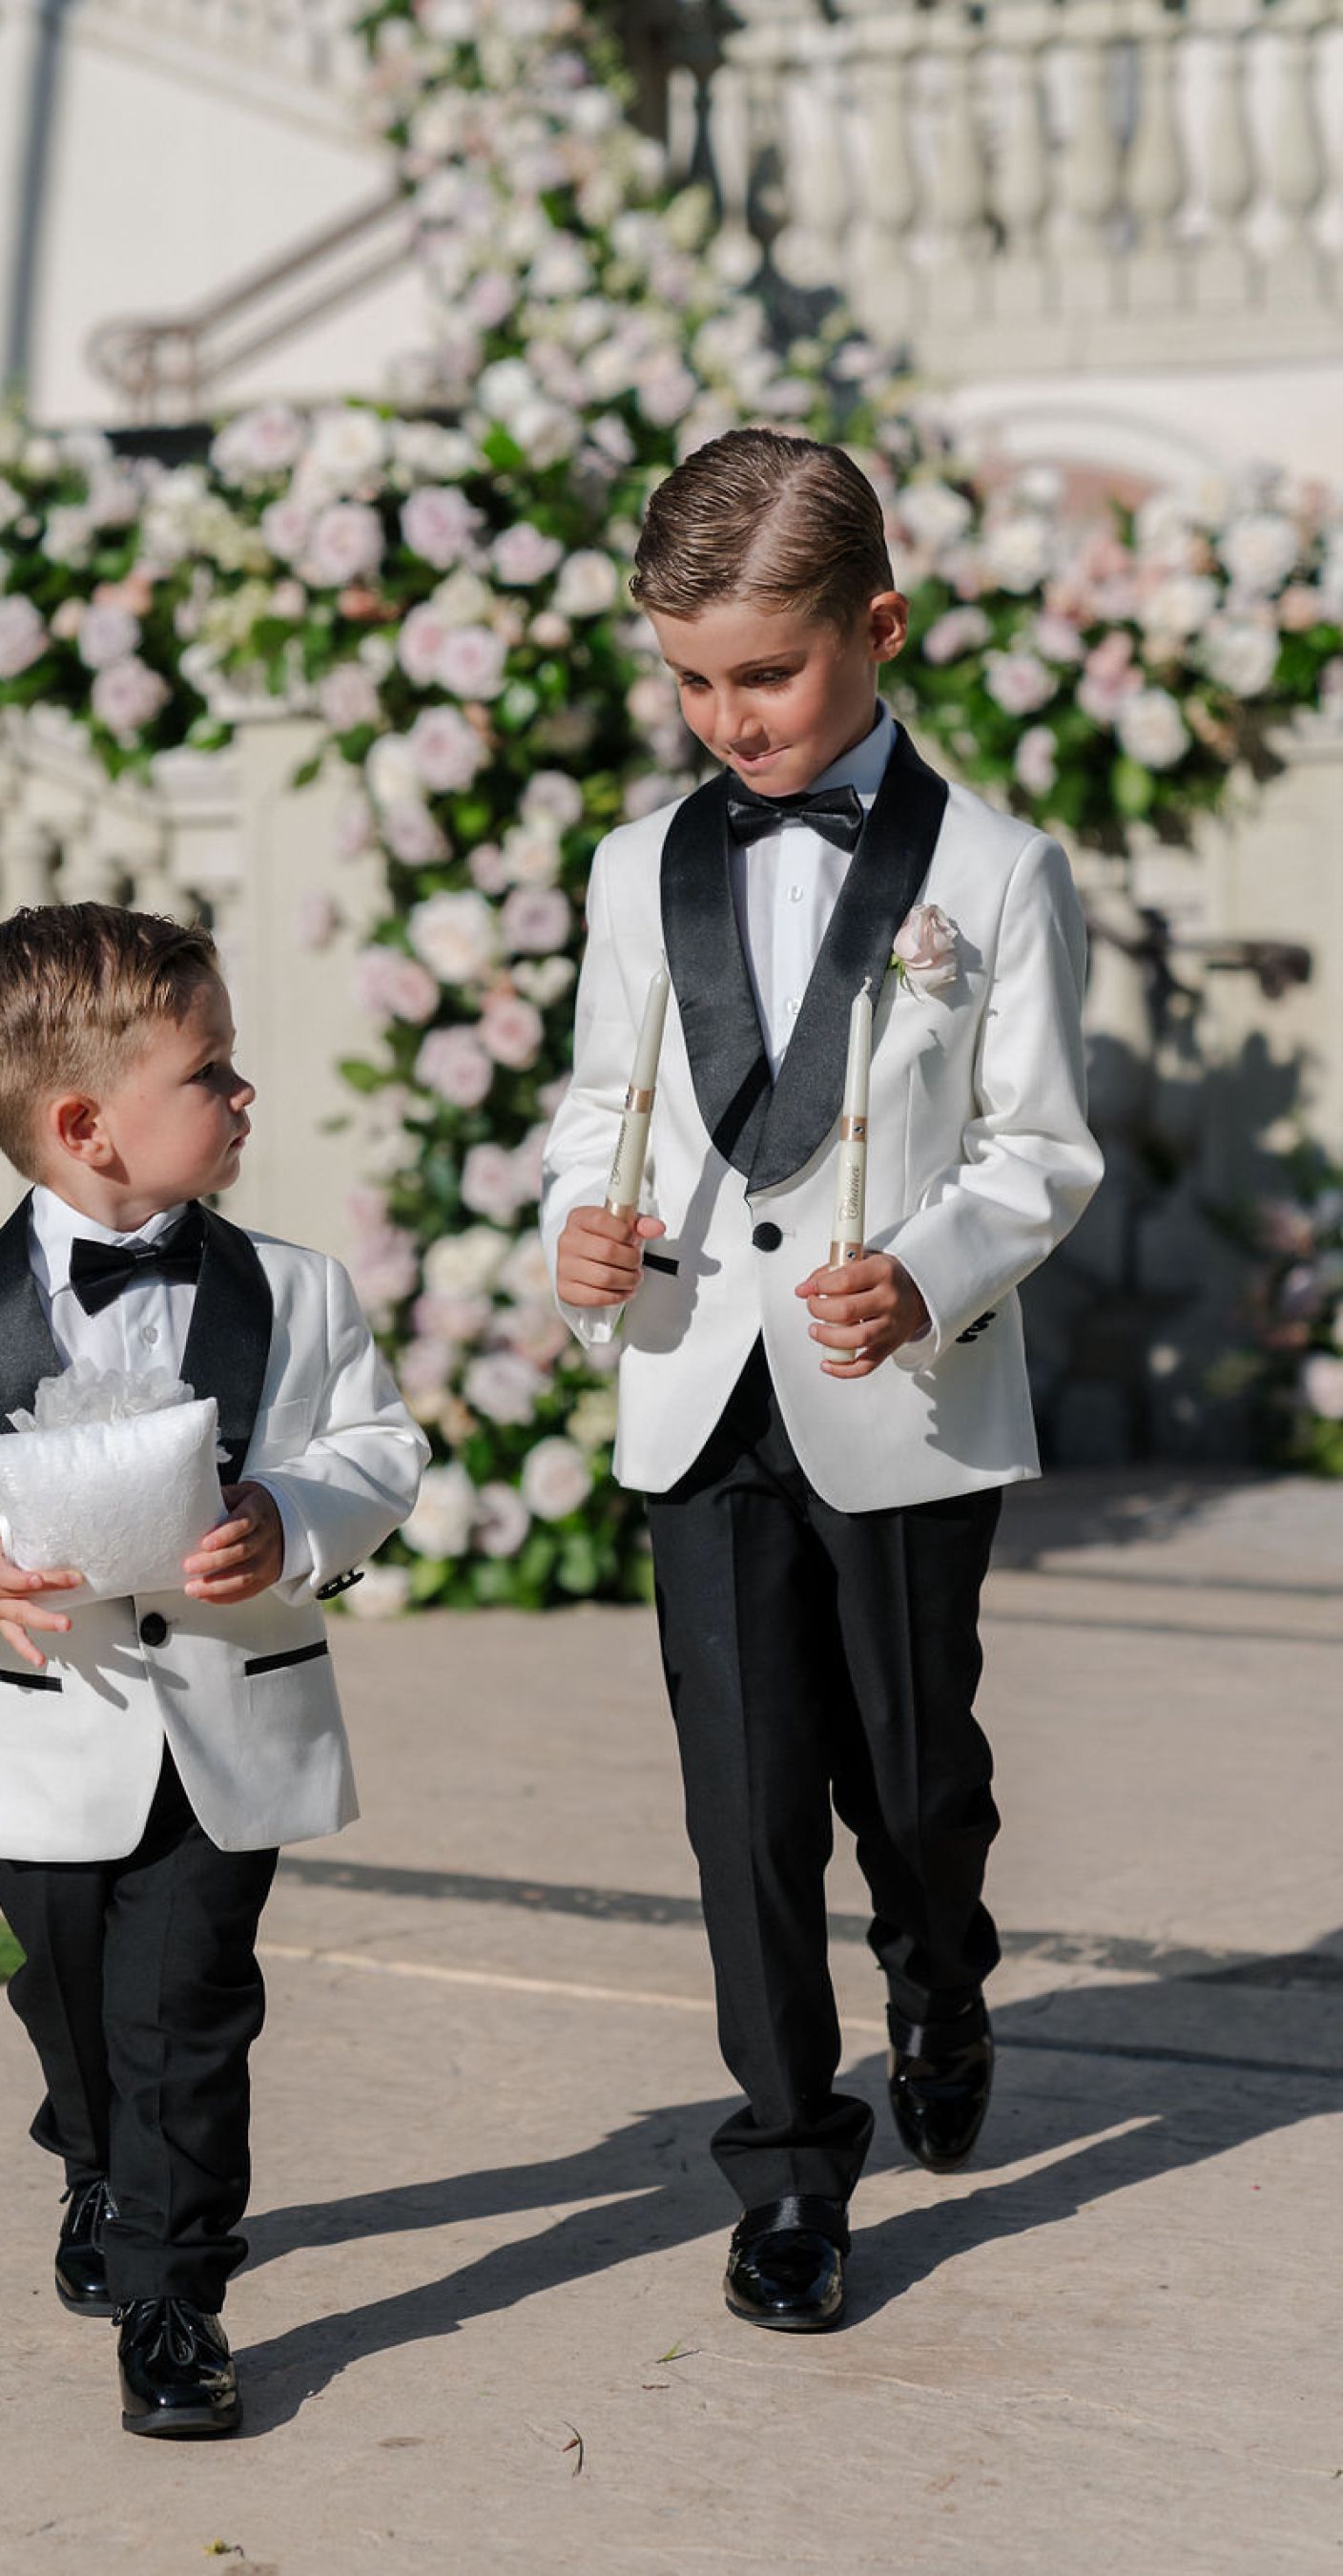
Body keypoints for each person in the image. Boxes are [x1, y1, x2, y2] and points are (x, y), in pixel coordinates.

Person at [542, 429, 1103, 2331]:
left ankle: (941, 1970)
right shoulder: (639, 866)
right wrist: (579, 1240)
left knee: (918, 1777)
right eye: (692, 681)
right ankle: (789, 2162)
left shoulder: (1000, 874)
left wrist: (930, 1272)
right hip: (698, 1382)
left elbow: (1039, 1151)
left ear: (877, 626)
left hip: (902, 1398)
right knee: (746, 1801)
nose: (729, 719)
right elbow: (604, 1104)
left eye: (765, 674)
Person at [0, 902, 426, 2436]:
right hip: (44, 1734)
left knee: (188, 2012)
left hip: (226, 1727)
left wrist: (291, 1519)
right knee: (71, 2002)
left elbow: (380, 1450)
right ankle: (93, 2161)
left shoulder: (297, 1294)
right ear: (87, 1123)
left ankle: (177, 2298)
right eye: (212, 1070)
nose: (245, 1095)